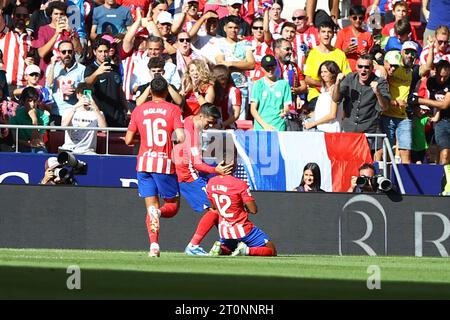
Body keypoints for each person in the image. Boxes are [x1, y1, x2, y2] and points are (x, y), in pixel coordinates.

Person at [125, 76, 185, 258]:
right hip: (164, 163)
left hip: (143, 162)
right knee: (172, 206)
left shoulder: (139, 110)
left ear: (150, 92)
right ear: (167, 91)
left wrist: (143, 139)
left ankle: (153, 245)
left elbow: (128, 140)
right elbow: (181, 137)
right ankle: (157, 213)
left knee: (150, 207)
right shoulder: (173, 109)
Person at [175, 103, 233, 255]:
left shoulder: (190, 121)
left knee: (218, 205)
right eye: (209, 122)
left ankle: (227, 243)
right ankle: (193, 246)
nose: (210, 126)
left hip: (192, 172)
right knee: (215, 208)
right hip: (188, 176)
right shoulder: (191, 133)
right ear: (200, 116)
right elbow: (196, 163)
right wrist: (216, 170)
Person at [207, 150, 277, 257]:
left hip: (224, 231)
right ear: (233, 165)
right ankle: (246, 251)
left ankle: (220, 248)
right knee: (271, 249)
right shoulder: (240, 184)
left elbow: (213, 207)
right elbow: (253, 210)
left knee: (230, 248)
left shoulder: (211, 182)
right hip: (243, 229)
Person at [304, 21, 352, 109]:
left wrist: (335, 87)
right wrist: (324, 85)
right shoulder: (312, 54)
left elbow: (347, 76)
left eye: (329, 32)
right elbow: (307, 79)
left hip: (336, 95)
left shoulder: (340, 54)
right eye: (323, 32)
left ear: (333, 34)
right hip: (316, 95)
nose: (326, 35)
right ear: (318, 34)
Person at [84, 37, 129, 127]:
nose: (103, 54)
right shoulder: (90, 68)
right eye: (100, 51)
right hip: (100, 115)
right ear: (94, 52)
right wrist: (97, 72)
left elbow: (120, 90)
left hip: (117, 115)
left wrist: (127, 108)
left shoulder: (115, 68)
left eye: (105, 51)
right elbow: (87, 83)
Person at [415, 59, 450, 165]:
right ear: (435, 72)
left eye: (446, 76)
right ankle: (442, 179)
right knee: (444, 153)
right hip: (442, 121)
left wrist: (419, 100)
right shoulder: (431, 82)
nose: (442, 79)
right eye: (440, 76)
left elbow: (445, 104)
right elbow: (435, 103)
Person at [46, 40, 86, 124]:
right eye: (63, 52)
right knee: (56, 137)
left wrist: (75, 90)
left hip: (73, 112)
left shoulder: (82, 69)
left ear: (74, 52)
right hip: (55, 112)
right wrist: (53, 65)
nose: (67, 54)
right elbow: (48, 85)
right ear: (59, 53)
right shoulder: (52, 67)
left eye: (70, 51)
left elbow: (85, 91)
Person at [60, 83, 107, 154]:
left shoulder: (97, 113)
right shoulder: (68, 110)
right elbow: (63, 127)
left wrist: (96, 109)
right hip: (69, 150)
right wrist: (75, 107)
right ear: (78, 95)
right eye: (83, 95)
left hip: (87, 151)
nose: (85, 98)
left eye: (88, 95)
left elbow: (104, 129)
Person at [250, 54, 292, 131]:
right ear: (262, 69)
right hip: (261, 127)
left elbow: (287, 106)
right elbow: (253, 109)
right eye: (267, 67)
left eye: (272, 67)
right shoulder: (258, 84)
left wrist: (285, 111)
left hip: (278, 126)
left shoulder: (284, 84)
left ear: (276, 66)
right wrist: (265, 126)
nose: (270, 70)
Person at [303, 61, 342, 132]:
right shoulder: (324, 90)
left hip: (330, 130)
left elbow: (332, 115)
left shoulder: (334, 90)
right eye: (321, 72)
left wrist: (312, 124)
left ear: (333, 73)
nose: (323, 75)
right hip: (321, 129)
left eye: (325, 72)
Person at [8, 87, 49, 153]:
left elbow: (37, 140)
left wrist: (34, 120)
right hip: (20, 146)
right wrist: (29, 143)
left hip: (37, 147)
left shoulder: (44, 117)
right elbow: (14, 139)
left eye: (35, 101)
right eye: (29, 101)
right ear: (23, 102)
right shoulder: (15, 115)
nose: (32, 104)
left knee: (41, 153)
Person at [334, 5, 374, 72]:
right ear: (350, 18)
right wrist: (345, 51)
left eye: (360, 18)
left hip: (362, 72)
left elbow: (372, 56)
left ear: (364, 18)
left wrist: (367, 54)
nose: (357, 20)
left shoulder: (368, 35)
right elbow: (335, 55)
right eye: (354, 18)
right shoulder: (342, 33)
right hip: (346, 71)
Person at [212, 64, 241, 129]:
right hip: (212, 128)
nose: (223, 86)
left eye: (225, 83)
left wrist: (222, 125)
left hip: (229, 128)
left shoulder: (234, 91)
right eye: (221, 83)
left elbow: (236, 114)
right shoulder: (210, 90)